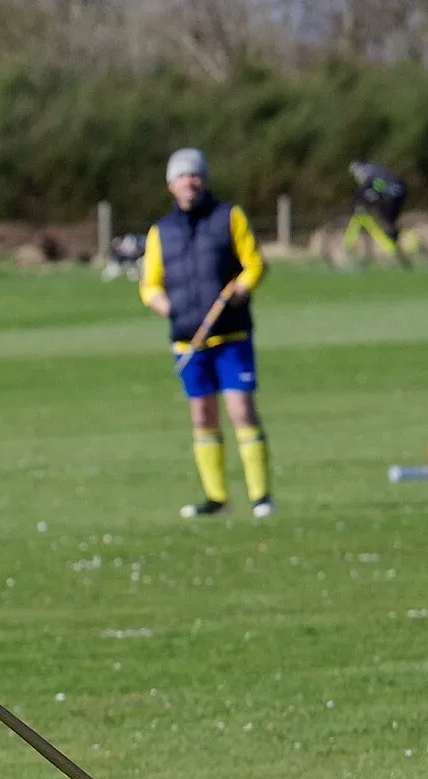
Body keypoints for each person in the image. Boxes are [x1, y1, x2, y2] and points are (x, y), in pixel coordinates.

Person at [139, 147, 274, 519]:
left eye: (195, 174)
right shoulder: (160, 232)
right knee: (202, 416)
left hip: (231, 336)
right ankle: (217, 498)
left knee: (241, 409)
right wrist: (170, 309)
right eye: (182, 176)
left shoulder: (228, 217)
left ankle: (261, 496)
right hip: (188, 339)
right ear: (171, 184)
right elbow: (148, 286)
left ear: (204, 179)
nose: (189, 181)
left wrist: (240, 290)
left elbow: (255, 264)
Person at [349, 160, 409, 247]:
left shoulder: (368, 171)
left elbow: (364, 187)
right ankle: (395, 240)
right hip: (398, 191)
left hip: (393, 193)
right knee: (390, 222)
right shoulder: (375, 169)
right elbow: (376, 188)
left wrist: (355, 199)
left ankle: (396, 241)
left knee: (382, 212)